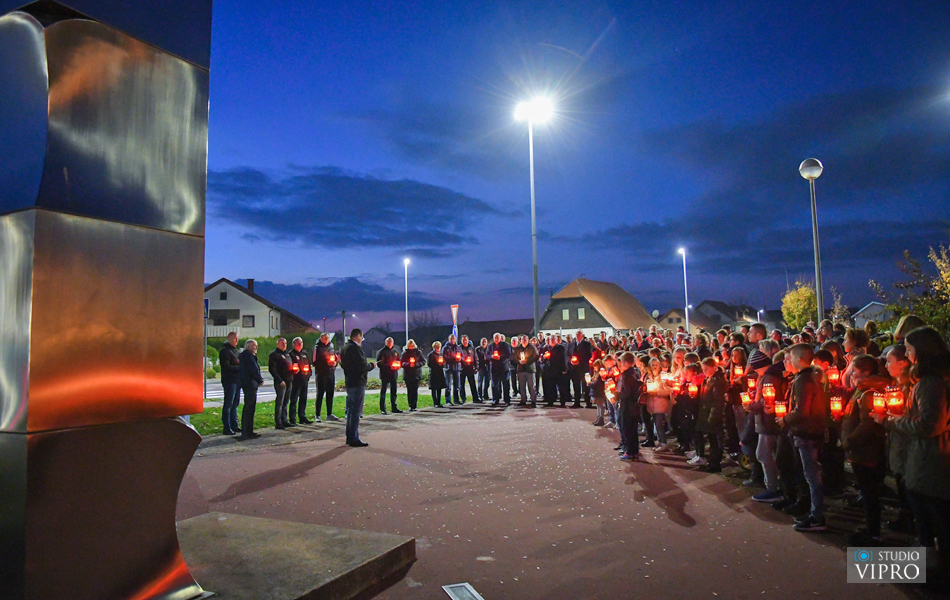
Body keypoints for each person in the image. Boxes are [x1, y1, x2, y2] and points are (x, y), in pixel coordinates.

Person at [877, 326, 950, 572]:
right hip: (927, 457)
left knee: (932, 513)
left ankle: (934, 569)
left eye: (908, 349)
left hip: (930, 458)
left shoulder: (930, 383)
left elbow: (930, 424)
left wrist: (892, 420)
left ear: (922, 351)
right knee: (928, 512)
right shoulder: (930, 380)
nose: (906, 355)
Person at [841, 354, 889, 544]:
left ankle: (873, 534)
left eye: (854, 372)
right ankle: (871, 529)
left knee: (870, 494)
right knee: (868, 492)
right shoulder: (862, 390)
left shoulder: (869, 393)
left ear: (866, 372)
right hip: (860, 451)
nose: (850, 376)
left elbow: (867, 425)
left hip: (866, 452)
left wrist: (848, 441)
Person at [781, 343, 828, 532]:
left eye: (791, 358)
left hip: (806, 433)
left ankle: (817, 516)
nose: (790, 361)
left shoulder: (804, 380)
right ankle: (813, 511)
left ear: (799, 360)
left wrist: (784, 419)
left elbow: (802, 411)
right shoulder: (810, 377)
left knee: (811, 475)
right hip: (809, 432)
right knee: (810, 474)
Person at [748, 350, 786, 503]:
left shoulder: (769, 378)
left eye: (756, 368)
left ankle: (773, 488)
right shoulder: (770, 375)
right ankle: (775, 485)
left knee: (763, 454)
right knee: (768, 454)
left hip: (767, 422)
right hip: (767, 422)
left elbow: (767, 402)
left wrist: (752, 406)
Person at [340, 329, 375, 447]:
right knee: (356, 411)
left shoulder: (345, 348)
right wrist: (371, 365)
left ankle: (349, 436)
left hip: (350, 381)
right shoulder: (355, 349)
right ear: (358, 336)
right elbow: (361, 366)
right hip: (357, 382)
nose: (362, 340)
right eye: (361, 337)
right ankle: (354, 437)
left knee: (350, 410)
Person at [691, 357, 727, 472]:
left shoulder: (718, 381)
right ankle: (712, 462)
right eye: (703, 369)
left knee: (715, 441)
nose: (704, 372)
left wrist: (712, 418)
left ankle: (715, 464)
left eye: (706, 369)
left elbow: (718, 402)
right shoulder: (708, 379)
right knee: (712, 440)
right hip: (706, 413)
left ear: (714, 367)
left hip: (713, 416)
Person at [617, 352, 644, 461]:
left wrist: (617, 394)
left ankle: (629, 451)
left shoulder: (627, 375)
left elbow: (626, 392)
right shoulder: (635, 372)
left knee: (627, 428)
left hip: (627, 406)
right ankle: (634, 451)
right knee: (633, 429)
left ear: (626, 363)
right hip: (634, 406)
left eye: (622, 362)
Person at [238, 339, 263, 440]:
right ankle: (248, 431)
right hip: (250, 383)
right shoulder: (249, 356)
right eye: (254, 346)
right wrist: (260, 379)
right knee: (250, 407)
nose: (256, 347)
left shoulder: (244, 356)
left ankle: (247, 430)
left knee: (249, 406)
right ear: (248, 346)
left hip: (247, 383)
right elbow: (253, 369)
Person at [312, 333, 340, 422]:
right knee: (320, 394)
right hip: (321, 373)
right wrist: (326, 364)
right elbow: (314, 362)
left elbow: (334, 357)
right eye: (325, 338)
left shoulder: (331, 346)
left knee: (330, 394)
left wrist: (335, 363)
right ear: (321, 338)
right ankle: (317, 415)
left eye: (328, 338)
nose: (327, 340)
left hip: (330, 373)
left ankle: (329, 413)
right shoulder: (317, 348)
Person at [219, 331, 242, 435]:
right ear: (229, 339)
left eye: (237, 338)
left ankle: (234, 424)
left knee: (235, 404)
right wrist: (239, 368)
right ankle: (226, 427)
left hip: (237, 380)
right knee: (228, 403)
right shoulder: (225, 351)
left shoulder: (235, 351)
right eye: (235, 338)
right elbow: (226, 367)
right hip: (229, 380)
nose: (237, 340)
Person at [268, 338, 293, 429]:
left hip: (289, 380)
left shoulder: (287, 354)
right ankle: (278, 422)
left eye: (285, 343)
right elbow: (272, 369)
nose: (284, 345)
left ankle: (284, 420)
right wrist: (279, 380)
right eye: (282, 343)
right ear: (277, 344)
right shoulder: (274, 355)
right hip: (281, 382)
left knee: (286, 402)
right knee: (280, 402)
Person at [288, 337, 313, 425]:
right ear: (294, 344)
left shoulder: (304, 354)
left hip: (304, 380)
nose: (300, 345)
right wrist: (294, 372)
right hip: (296, 381)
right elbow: (289, 367)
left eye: (301, 343)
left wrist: (308, 375)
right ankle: (292, 418)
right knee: (294, 400)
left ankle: (302, 417)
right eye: (298, 343)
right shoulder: (291, 355)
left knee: (303, 399)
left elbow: (309, 366)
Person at [376, 337, 402, 414]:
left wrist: (398, 365)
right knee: (383, 392)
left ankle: (394, 407)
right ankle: (383, 409)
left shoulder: (395, 351)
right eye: (388, 341)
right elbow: (379, 363)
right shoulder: (381, 352)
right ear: (385, 342)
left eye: (391, 341)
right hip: (385, 374)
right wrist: (389, 366)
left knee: (394, 392)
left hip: (394, 374)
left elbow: (398, 361)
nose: (390, 343)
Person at [570, 331, 594, 408]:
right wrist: (571, 361)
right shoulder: (571, 344)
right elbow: (567, 354)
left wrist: (579, 361)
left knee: (586, 386)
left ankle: (588, 402)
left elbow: (589, 355)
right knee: (576, 385)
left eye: (579, 334)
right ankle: (577, 402)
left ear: (582, 335)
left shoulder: (587, 344)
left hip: (584, 368)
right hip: (574, 369)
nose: (577, 336)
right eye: (576, 334)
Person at [487, 333, 512, 405]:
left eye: (498, 338)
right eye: (495, 338)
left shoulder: (505, 345)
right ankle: (495, 400)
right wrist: (492, 356)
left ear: (500, 338)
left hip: (503, 368)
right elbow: (487, 355)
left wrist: (500, 357)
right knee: (495, 385)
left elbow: (508, 354)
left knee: (505, 385)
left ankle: (507, 400)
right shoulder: (490, 346)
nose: (496, 339)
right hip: (494, 368)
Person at [514, 335, 539, 407]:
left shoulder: (532, 347)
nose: (524, 341)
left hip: (530, 370)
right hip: (521, 369)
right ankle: (523, 400)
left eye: (525, 340)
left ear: (528, 340)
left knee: (531, 386)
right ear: (520, 341)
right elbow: (514, 357)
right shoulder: (518, 348)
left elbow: (536, 356)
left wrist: (527, 361)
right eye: (522, 340)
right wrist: (519, 361)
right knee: (522, 386)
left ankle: (533, 401)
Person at [401, 340, 425, 411]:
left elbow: (423, 361)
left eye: (412, 346)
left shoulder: (418, 353)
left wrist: (416, 365)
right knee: (410, 390)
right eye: (409, 346)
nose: (411, 347)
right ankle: (410, 405)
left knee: (415, 390)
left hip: (416, 374)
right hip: (408, 374)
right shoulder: (405, 353)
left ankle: (414, 405)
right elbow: (401, 363)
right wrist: (408, 364)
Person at [443, 334, 463, 405]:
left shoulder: (458, 347)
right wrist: (453, 359)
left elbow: (462, 355)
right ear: (449, 339)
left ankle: (456, 399)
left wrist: (460, 359)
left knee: (457, 385)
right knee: (448, 385)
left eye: (453, 339)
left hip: (457, 368)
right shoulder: (445, 348)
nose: (452, 340)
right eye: (451, 339)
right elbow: (444, 358)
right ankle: (448, 401)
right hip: (449, 368)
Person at [459, 335, 479, 402]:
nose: (464, 341)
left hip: (470, 368)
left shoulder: (472, 348)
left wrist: (476, 367)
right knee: (461, 384)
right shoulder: (459, 348)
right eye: (463, 340)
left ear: (468, 340)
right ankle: (463, 398)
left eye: (466, 340)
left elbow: (476, 358)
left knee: (472, 383)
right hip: (462, 368)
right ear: (461, 341)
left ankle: (475, 398)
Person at [428, 341, 448, 407]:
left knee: (439, 388)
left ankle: (438, 402)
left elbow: (444, 362)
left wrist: (442, 364)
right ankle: (435, 402)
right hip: (434, 373)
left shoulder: (441, 354)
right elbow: (429, 364)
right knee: (434, 388)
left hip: (440, 373)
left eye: (439, 346)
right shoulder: (431, 355)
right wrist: (437, 364)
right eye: (437, 346)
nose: (438, 347)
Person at [476, 338, 490, 403]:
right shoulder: (477, 349)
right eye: (482, 341)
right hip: (481, 367)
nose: (484, 343)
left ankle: (486, 395)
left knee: (487, 382)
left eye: (485, 341)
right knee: (480, 382)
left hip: (487, 367)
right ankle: (479, 395)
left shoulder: (489, 349)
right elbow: (476, 358)